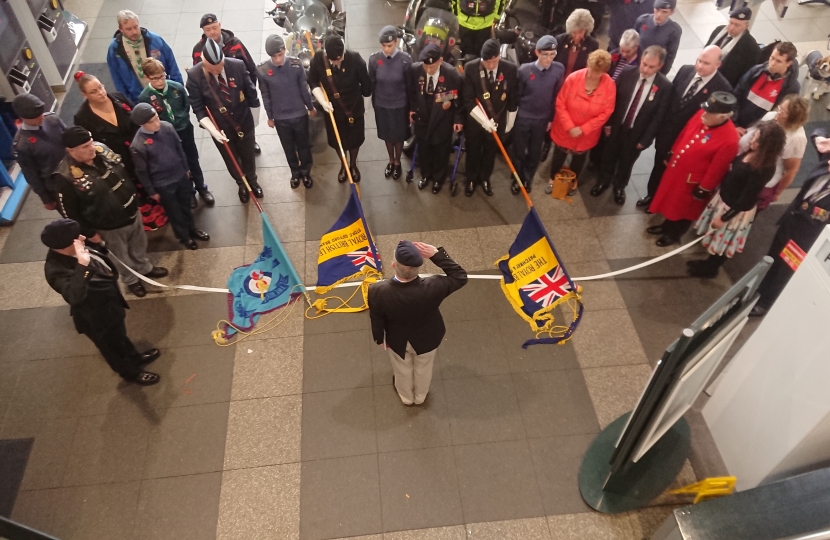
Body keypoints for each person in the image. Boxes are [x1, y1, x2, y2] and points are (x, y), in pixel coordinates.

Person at [53, 126, 168, 297]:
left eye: (90, 143)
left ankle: (144, 267)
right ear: (71, 150)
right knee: (121, 256)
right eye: (85, 147)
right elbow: (70, 213)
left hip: (131, 212)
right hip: (108, 226)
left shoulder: (102, 151)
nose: (92, 148)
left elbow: (124, 172)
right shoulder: (65, 177)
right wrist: (89, 233)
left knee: (139, 244)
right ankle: (131, 280)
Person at [43, 219, 161, 385]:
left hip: (110, 306)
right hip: (96, 318)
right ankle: (130, 373)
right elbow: (74, 296)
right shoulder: (56, 270)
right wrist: (82, 266)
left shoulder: (78, 249)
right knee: (112, 348)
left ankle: (135, 357)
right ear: (64, 245)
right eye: (77, 237)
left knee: (120, 337)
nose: (83, 237)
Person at [368, 240, 468, 405]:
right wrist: (436, 255)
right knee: (424, 369)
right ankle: (420, 396)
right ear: (417, 268)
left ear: (394, 265)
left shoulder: (377, 291)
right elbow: (460, 276)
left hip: (397, 339)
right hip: (428, 337)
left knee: (402, 369)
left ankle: (406, 397)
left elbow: (377, 318)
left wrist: (380, 338)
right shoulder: (434, 285)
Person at [687, 120, 786, 277]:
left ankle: (711, 269)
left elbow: (747, 198)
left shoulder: (764, 168)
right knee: (715, 238)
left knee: (722, 245)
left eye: (758, 140)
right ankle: (707, 263)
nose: (753, 140)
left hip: (734, 210)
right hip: (725, 199)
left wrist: (725, 217)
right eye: (755, 136)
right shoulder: (754, 154)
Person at [638, 45, 732, 207]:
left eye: (706, 63)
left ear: (718, 65)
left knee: (676, 175)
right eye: (699, 61)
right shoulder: (685, 71)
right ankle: (652, 196)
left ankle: (665, 202)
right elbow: (670, 99)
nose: (700, 66)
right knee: (658, 167)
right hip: (667, 134)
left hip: (689, 141)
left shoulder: (722, 88)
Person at [749, 130, 830, 317]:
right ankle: (756, 289)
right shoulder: (826, 162)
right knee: (772, 255)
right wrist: (821, 139)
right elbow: (816, 132)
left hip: (809, 232)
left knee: (785, 268)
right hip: (792, 218)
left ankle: (765, 302)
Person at [73, 72, 167, 231]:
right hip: (117, 160)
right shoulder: (82, 117)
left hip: (139, 149)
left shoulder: (118, 98)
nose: (101, 93)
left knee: (150, 178)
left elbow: (137, 118)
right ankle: (145, 216)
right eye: (94, 92)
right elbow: (91, 144)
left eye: (100, 87)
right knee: (132, 187)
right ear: (84, 95)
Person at [647, 92, 740, 246]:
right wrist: (673, 151)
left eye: (710, 112)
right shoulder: (703, 114)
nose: (704, 114)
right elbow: (685, 132)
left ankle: (674, 233)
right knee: (670, 200)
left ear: (722, 117)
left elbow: (717, 168)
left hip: (692, 181)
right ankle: (666, 225)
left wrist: (704, 188)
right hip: (677, 170)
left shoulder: (730, 140)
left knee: (683, 209)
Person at [592, 46, 672, 205]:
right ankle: (604, 180)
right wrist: (607, 123)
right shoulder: (627, 72)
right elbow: (612, 99)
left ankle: (619, 186)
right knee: (609, 155)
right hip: (616, 126)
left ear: (660, 66)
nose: (645, 69)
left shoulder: (664, 87)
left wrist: (646, 139)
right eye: (644, 64)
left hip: (637, 132)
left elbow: (658, 117)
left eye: (651, 67)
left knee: (627, 161)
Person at [187, 39, 263, 204]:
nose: (216, 71)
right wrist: (213, 130)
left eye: (219, 67)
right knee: (231, 158)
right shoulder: (194, 76)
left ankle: (252, 180)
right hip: (220, 127)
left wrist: (255, 119)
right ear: (203, 62)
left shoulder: (237, 66)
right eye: (211, 69)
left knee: (248, 154)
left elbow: (251, 93)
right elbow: (198, 108)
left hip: (243, 120)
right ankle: (241, 184)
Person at [129, 104, 211, 250]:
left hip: (180, 175)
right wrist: (151, 191)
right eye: (151, 122)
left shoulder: (167, 127)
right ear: (142, 124)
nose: (156, 124)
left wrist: (186, 169)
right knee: (174, 212)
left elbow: (179, 148)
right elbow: (142, 171)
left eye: (157, 119)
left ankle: (192, 229)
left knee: (186, 206)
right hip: (163, 184)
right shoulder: (138, 145)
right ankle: (183, 236)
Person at [138, 58, 214, 208]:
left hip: (184, 128)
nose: (160, 81)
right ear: (147, 78)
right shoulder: (145, 97)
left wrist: (181, 119)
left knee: (192, 159)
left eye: (162, 76)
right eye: (155, 78)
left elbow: (186, 104)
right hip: (165, 136)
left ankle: (202, 188)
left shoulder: (176, 87)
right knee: (179, 163)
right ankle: (190, 192)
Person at [545, 50, 615, 194]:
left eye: (597, 72)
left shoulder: (609, 85)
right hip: (564, 128)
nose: (592, 74)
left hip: (586, 134)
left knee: (579, 158)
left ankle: (572, 182)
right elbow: (560, 102)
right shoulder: (573, 78)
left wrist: (584, 128)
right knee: (559, 155)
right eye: (591, 69)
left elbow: (606, 112)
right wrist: (570, 126)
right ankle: (552, 179)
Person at [191, 13, 261, 155]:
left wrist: (247, 92)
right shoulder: (199, 51)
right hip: (217, 95)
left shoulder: (235, 44)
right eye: (207, 29)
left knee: (246, 124)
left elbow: (251, 69)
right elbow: (199, 78)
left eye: (214, 27)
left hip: (238, 94)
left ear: (220, 25)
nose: (212, 32)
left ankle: (250, 141)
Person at [308, 35, 372, 182]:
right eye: (334, 60)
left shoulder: (355, 59)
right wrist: (322, 101)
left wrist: (365, 107)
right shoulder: (319, 60)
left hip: (353, 108)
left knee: (354, 141)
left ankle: (353, 165)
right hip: (333, 110)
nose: (337, 62)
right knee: (338, 141)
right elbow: (312, 80)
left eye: (339, 58)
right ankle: (344, 165)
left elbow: (367, 86)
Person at [258, 35, 316, 190]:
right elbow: (266, 95)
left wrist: (310, 107)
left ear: (285, 50)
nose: (277, 60)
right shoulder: (263, 70)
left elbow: (304, 89)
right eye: (274, 56)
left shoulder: (296, 66)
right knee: (288, 147)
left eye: (280, 54)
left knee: (303, 145)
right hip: (280, 117)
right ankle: (295, 173)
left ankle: (306, 172)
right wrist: (270, 116)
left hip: (299, 114)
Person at [463, 39, 519, 197]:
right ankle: (471, 178)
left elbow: (513, 97)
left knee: (490, 151)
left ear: (499, 56)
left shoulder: (510, 69)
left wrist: (510, 121)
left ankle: (485, 177)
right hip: (476, 121)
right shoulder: (471, 68)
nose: (492, 65)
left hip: (498, 120)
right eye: (488, 62)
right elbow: (467, 99)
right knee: (473, 150)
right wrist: (484, 121)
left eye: (495, 61)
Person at [510, 35, 564, 194]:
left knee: (534, 152)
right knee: (519, 151)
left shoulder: (558, 69)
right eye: (545, 54)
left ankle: (527, 178)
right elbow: (518, 95)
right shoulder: (525, 70)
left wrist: (551, 118)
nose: (549, 59)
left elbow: (556, 95)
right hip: (524, 117)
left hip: (542, 119)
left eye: (552, 54)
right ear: (537, 53)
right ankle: (517, 179)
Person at [737, 95, 810, 210]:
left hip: (765, 177)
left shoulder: (797, 138)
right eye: (780, 108)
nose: (778, 113)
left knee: (745, 205)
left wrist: (777, 192)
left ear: (794, 118)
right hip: (747, 165)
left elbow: (791, 169)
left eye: (784, 112)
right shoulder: (771, 116)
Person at [408, 44, 464, 194]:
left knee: (441, 150)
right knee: (424, 148)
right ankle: (426, 175)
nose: (428, 70)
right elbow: (412, 91)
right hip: (422, 115)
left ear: (440, 61)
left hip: (441, 118)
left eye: (432, 67)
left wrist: (458, 119)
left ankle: (438, 179)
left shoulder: (451, 74)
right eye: (426, 66)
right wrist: (412, 108)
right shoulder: (415, 70)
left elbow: (458, 96)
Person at [106, 10, 182, 103]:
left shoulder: (155, 40)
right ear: (121, 29)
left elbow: (172, 66)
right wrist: (127, 102)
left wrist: (177, 90)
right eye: (129, 29)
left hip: (163, 94)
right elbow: (117, 80)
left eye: (135, 27)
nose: (134, 32)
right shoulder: (114, 49)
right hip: (138, 99)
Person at [369, 26, 413, 180]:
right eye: (383, 46)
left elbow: (410, 86)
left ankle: (398, 161)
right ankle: (391, 160)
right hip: (382, 104)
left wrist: (411, 108)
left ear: (396, 42)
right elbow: (372, 83)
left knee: (399, 136)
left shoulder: (405, 61)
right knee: (387, 135)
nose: (386, 49)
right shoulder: (374, 60)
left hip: (400, 105)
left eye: (390, 46)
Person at [12, 93, 66, 210]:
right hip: (56, 186)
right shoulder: (22, 145)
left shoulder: (53, 119)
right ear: (23, 118)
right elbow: (31, 175)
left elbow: (70, 140)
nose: (42, 118)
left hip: (75, 173)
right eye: (35, 117)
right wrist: (45, 198)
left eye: (41, 113)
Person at [733, 42, 800, 134]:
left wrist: (756, 133)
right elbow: (737, 95)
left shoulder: (792, 88)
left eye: (778, 61)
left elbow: (780, 117)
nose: (772, 63)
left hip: (758, 134)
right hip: (736, 124)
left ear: (789, 63)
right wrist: (734, 124)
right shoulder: (756, 71)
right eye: (772, 58)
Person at [704, 7, 760, 87]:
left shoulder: (751, 48)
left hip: (722, 85)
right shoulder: (719, 30)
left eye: (737, 25)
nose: (732, 28)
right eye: (731, 23)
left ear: (746, 26)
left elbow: (744, 78)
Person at [635, 0, 681, 74]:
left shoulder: (674, 31)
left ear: (672, 12)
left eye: (664, 12)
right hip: (637, 65)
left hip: (654, 69)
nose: (659, 15)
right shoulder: (642, 20)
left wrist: (661, 75)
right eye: (657, 10)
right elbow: (635, 43)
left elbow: (670, 56)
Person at [553, 9, 599, 79]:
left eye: (580, 32)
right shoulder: (560, 40)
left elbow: (591, 69)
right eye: (574, 32)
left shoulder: (592, 45)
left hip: (577, 83)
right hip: (558, 81)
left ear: (586, 30)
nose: (577, 36)